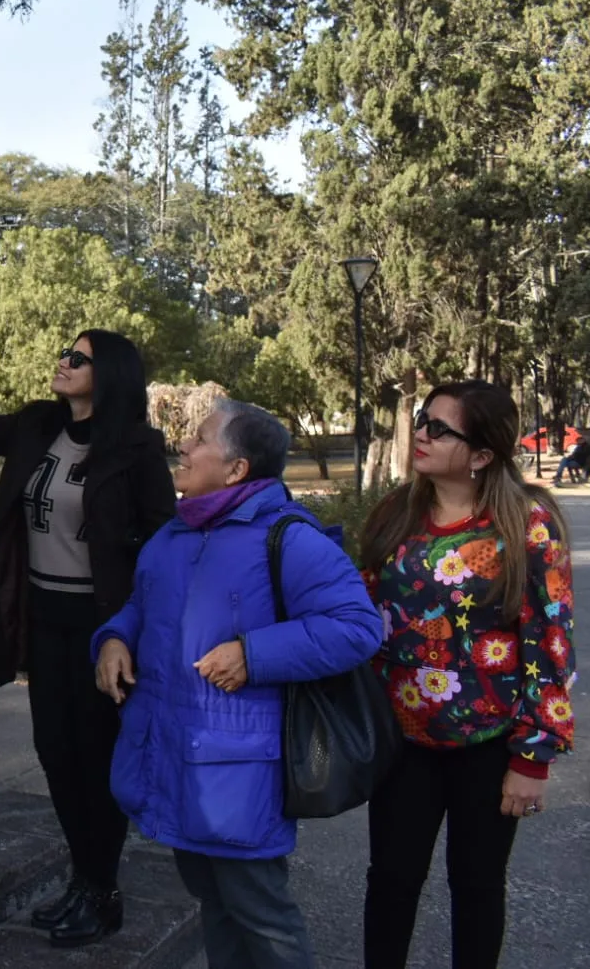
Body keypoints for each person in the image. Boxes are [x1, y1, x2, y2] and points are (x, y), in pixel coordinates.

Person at [0, 288, 177, 948]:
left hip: (102, 628)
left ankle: (100, 887)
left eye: (78, 359)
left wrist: (135, 628)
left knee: (94, 758)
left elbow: (162, 541)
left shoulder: (137, 449)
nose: (63, 362)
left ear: (107, 377)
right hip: (41, 617)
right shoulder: (37, 424)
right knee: (53, 752)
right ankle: (82, 877)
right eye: (67, 354)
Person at [93, 400, 382, 969]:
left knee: (261, 916)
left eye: (199, 439)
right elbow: (140, 606)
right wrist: (113, 638)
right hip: (172, 756)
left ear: (236, 469)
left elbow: (357, 627)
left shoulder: (286, 539)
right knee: (214, 904)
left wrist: (255, 654)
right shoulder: (175, 534)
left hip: (238, 773)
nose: (183, 446)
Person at [359, 381, 576, 969]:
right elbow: (362, 615)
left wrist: (533, 757)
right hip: (403, 741)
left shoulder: (526, 525)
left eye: (439, 428)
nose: (420, 434)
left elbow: (551, 640)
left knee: (476, 885)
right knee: (391, 881)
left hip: (490, 743)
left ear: (481, 455)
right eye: (422, 420)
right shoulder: (395, 514)